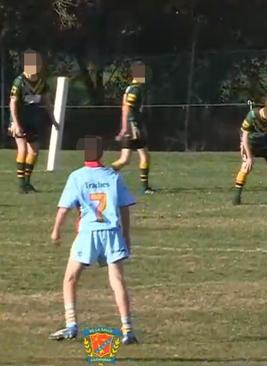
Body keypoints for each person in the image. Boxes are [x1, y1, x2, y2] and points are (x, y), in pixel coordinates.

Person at [49, 136, 138, 344]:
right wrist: (125, 235)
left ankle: (71, 325)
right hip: (111, 232)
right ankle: (128, 330)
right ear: (101, 154)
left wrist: (56, 230)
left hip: (89, 233)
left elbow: (64, 208)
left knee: (70, 278)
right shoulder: (113, 176)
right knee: (117, 280)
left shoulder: (77, 177)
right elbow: (124, 208)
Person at [8, 50, 57, 193]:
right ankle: (21, 184)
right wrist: (15, 123)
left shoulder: (42, 82)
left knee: (34, 152)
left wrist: (53, 119)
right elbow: (12, 103)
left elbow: (47, 102)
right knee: (22, 149)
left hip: (33, 120)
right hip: (20, 119)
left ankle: (28, 181)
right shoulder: (19, 81)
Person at [232, 99, 267, 205]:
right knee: (246, 167)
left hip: (266, 144)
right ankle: (237, 197)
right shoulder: (253, 115)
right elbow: (244, 136)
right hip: (251, 144)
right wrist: (248, 156)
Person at [111, 61, 155, 194]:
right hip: (133, 126)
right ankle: (144, 187)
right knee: (144, 155)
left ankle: (102, 176)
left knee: (125, 159)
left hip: (131, 125)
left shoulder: (133, 87)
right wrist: (128, 126)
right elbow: (126, 108)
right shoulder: (135, 89)